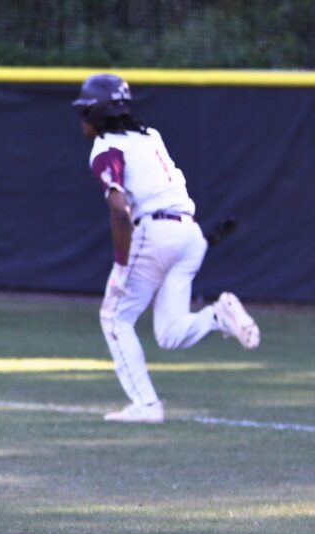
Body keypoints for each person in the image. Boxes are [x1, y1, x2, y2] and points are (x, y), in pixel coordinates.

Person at [72, 74, 260, 424]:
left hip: (154, 233)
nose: (80, 118)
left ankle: (146, 406)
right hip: (190, 233)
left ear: (95, 113)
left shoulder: (105, 148)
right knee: (170, 334)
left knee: (115, 318)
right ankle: (219, 316)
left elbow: (118, 208)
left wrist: (122, 265)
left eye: (84, 111)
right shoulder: (150, 136)